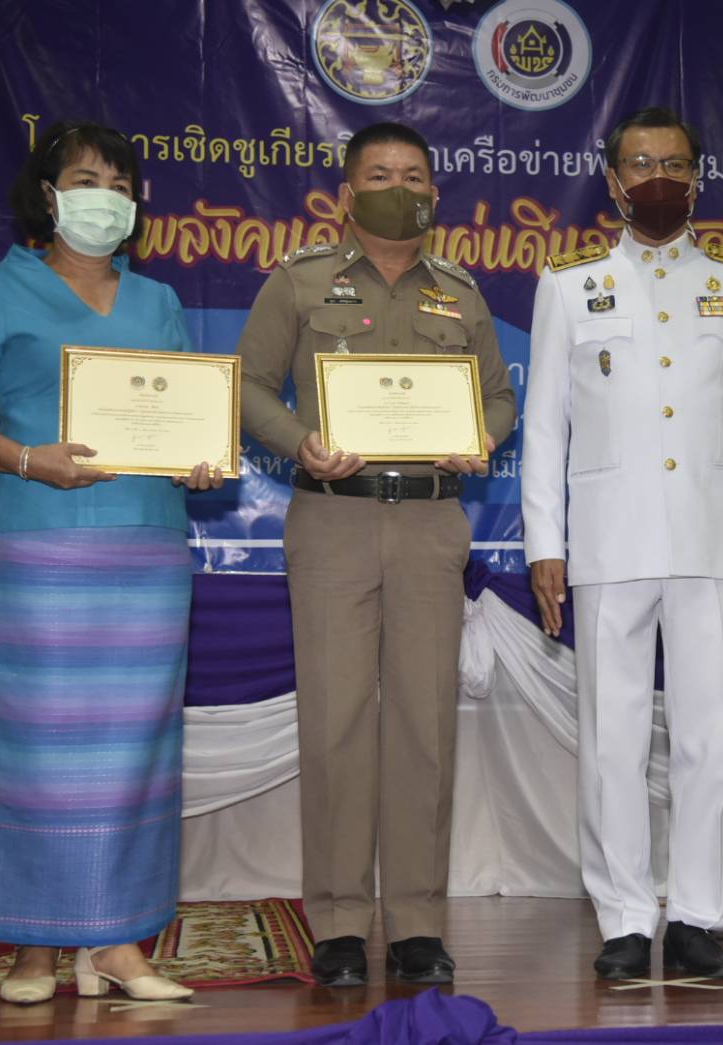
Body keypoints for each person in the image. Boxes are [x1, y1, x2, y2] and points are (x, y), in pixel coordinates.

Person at [0, 120, 222, 1004]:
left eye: (121, 184)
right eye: (88, 179)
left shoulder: (157, 301)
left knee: (137, 750)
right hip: (41, 543)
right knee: (38, 753)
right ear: (49, 194)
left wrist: (200, 456)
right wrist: (23, 456)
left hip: (150, 544)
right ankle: (33, 950)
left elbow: (187, 412)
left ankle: (121, 945)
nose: (106, 198)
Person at [236, 121, 514, 987]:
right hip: (332, 519)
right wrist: (299, 442)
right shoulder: (300, 280)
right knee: (336, 722)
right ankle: (341, 923)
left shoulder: (461, 293)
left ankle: (420, 922)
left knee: (426, 725)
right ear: (347, 195)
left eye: (416, 176)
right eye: (381, 174)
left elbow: (500, 396)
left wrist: (480, 437)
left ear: (435, 195)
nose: (402, 187)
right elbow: (245, 382)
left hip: (432, 522)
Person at [522, 106, 723, 981]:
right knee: (613, 738)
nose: (656, 176)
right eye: (639, 163)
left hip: (710, 541)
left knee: (708, 736)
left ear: (698, 175)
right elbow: (542, 430)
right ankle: (626, 917)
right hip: (605, 540)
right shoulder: (569, 283)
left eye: (672, 161)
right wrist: (543, 545)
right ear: (612, 180)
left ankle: (702, 917)